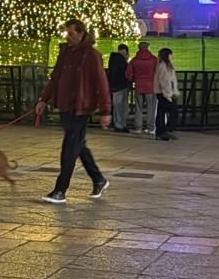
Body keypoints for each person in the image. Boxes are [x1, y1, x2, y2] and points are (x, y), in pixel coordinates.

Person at [35, 18, 111, 204]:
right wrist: (43, 99)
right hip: (65, 104)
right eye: (66, 33)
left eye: (71, 33)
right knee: (78, 144)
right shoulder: (65, 52)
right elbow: (55, 77)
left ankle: (60, 190)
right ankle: (98, 179)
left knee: (70, 146)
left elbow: (101, 83)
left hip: (81, 107)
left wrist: (105, 111)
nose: (67, 37)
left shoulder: (92, 55)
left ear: (81, 33)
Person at [124, 42, 158, 136]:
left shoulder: (134, 60)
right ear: (148, 48)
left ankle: (138, 128)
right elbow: (158, 72)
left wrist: (133, 79)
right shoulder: (154, 60)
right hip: (151, 87)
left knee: (138, 108)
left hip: (138, 86)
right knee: (151, 108)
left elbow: (128, 73)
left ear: (139, 48)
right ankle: (150, 128)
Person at [154, 47, 178, 141]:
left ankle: (160, 133)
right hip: (164, 93)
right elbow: (165, 81)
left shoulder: (161, 65)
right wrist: (168, 94)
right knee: (173, 111)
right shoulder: (164, 66)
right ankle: (167, 130)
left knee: (161, 112)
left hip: (161, 92)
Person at [106, 44, 132, 133]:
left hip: (114, 86)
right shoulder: (121, 60)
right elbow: (125, 72)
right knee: (121, 107)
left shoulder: (113, 59)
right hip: (121, 86)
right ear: (125, 51)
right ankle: (120, 125)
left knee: (117, 106)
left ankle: (118, 124)